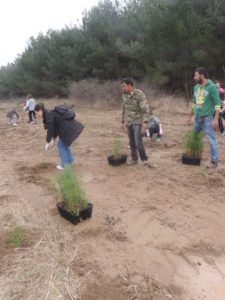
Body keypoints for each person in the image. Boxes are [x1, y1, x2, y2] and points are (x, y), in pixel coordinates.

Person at [34, 103, 84, 170]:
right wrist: (53, 139)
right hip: (70, 129)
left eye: (36, 113)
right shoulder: (48, 114)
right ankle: (70, 160)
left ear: (40, 110)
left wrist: (47, 141)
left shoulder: (48, 114)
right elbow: (55, 128)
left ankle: (64, 165)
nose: (36, 115)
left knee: (61, 145)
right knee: (64, 144)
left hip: (69, 129)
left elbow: (50, 129)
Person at [189, 67, 221, 168]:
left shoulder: (212, 87)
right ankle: (193, 155)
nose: (194, 77)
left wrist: (215, 119)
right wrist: (191, 115)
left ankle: (214, 162)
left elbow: (217, 104)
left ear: (202, 75)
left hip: (207, 119)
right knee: (194, 137)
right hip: (197, 118)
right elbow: (194, 103)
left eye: (196, 75)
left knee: (212, 140)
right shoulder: (196, 88)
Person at [120, 78, 150, 166]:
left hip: (137, 120)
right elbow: (123, 108)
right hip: (128, 121)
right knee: (131, 141)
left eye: (124, 86)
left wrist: (145, 121)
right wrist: (122, 121)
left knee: (138, 141)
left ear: (130, 85)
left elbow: (145, 109)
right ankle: (134, 159)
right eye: (122, 87)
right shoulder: (124, 95)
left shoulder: (139, 95)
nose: (123, 88)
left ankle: (144, 159)